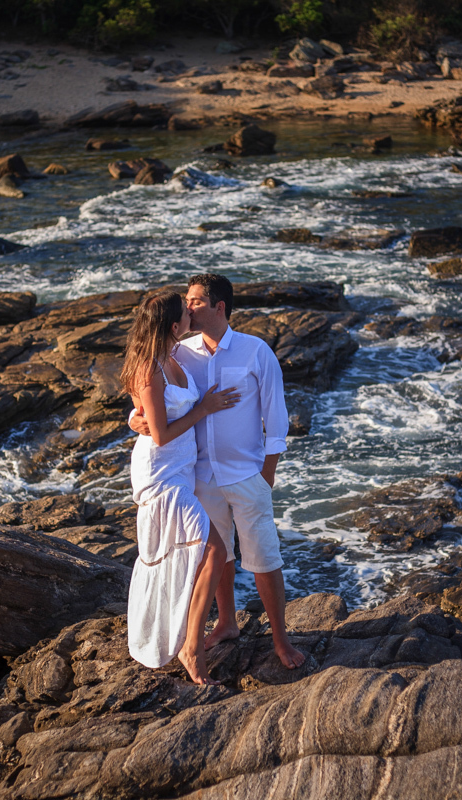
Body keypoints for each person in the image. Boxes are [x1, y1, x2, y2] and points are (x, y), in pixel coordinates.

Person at [131, 274, 306, 669]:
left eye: (194, 301)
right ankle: (227, 622)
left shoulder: (255, 351)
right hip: (198, 475)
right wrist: (134, 419)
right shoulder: (181, 351)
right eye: (186, 303)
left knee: (264, 558)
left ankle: (281, 640)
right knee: (217, 554)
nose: (187, 307)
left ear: (219, 307)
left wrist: (266, 477)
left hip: (246, 474)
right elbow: (150, 390)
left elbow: (277, 421)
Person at [121, 291, 241, 685]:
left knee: (195, 552)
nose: (191, 313)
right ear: (174, 326)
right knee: (213, 550)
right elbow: (159, 434)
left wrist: (133, 417)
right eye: (185, 312)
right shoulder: (149, 367)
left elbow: (144, 414)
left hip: (182, 471)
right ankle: (191, 647)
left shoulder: (174, 355)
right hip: (161, 475)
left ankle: (185, 638)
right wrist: (204, 409)